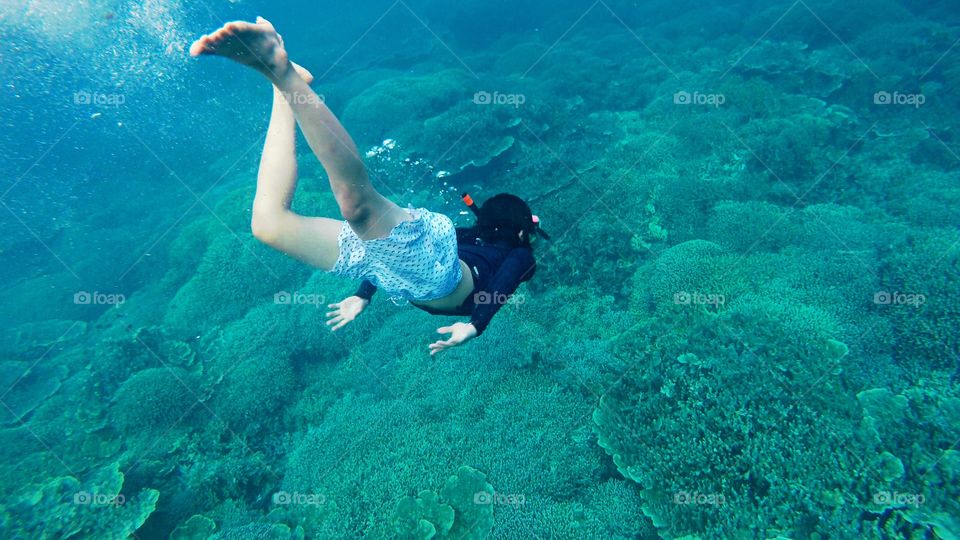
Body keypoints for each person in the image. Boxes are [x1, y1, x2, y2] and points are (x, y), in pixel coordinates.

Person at [189, 17, 545, 355]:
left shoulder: (490, 243)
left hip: (404, 273)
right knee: (356, 207)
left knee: (268, 225)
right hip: (438, 280)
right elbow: (505, 283)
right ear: (520, 230)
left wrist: (363, 294)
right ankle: (280, 71)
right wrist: (475, 325)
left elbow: (390, 258)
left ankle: (284, 91)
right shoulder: (518, 254)